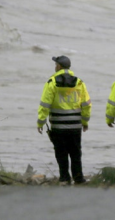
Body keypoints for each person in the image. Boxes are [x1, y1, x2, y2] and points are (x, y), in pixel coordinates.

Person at [37, 56, 91, 185]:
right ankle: (78, 178)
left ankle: (64, 178)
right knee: (76, 153)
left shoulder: (52, 82)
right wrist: (85, 121)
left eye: (56, 65)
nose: (55, 67)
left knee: (61, 153)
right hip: (75, 125)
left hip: (58, 126)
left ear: (59, 67)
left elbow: (45, 104)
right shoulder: (79, 82)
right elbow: (87, 104)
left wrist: (41, 122)